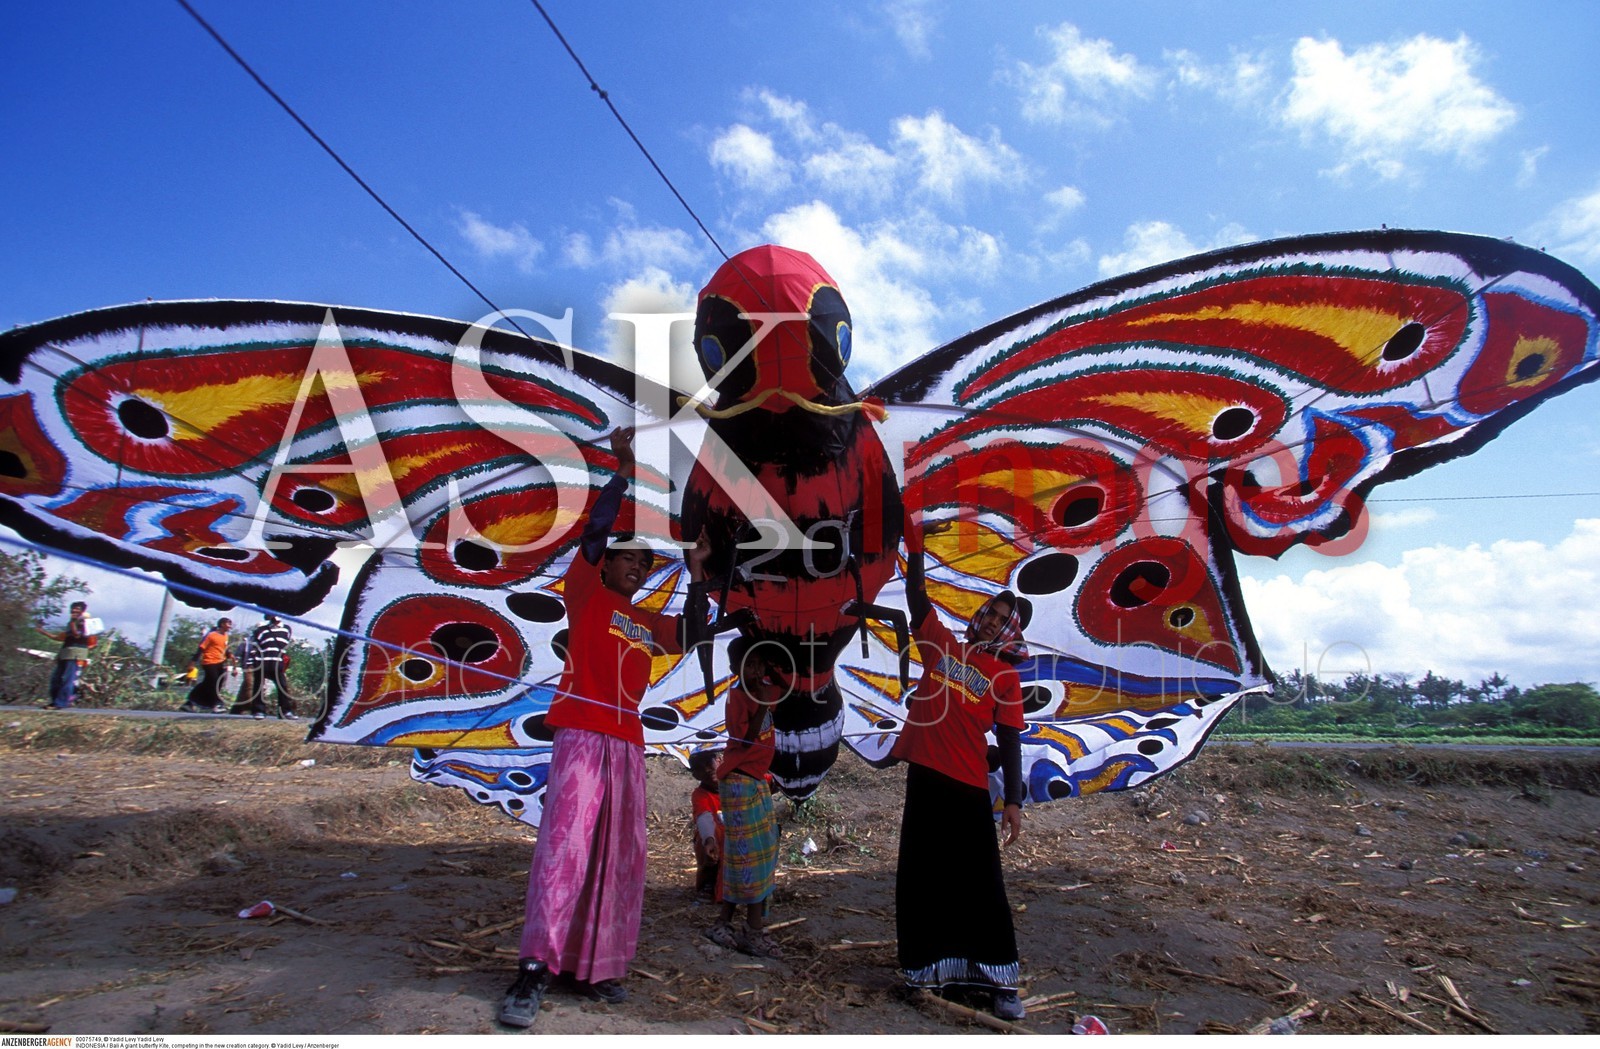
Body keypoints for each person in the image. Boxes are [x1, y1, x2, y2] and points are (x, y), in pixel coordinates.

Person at [499, 428, 710, 1029]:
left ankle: (594, 969)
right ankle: (533, 970)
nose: (637, 567)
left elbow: (695, 632)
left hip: (627, 743)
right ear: (608, 563)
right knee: (565, 849)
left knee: (619, 858)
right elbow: (593, 534)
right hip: (581, 734)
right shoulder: (586, 595)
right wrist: (622, 471)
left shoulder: (646, 622)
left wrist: (696, 572)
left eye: (645, 563)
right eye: (629, 558)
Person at [890, 524, 1029, 1021]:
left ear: (1013, 632)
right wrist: (916, 546)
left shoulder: (1006, 677)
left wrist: (1013, 801)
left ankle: (1001, 982)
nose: (992, 622)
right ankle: (928, 973)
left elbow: (1009, 740)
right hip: (925, 779)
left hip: (969, 787)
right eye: (990, 612)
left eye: (1004, 620)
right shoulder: (943, 646)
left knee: (980, 883)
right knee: (922, 878)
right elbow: (916, 597)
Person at [705, 636, 785, 958]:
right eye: (748, 664)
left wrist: (770, 672)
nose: (755, 670)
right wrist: (762, 704)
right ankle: (752, 931)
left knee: (759, 852)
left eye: (759, 663)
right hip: (739, 781)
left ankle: (724, 924)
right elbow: (745, 740)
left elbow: (788, 683)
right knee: (750, 857)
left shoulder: (765, 687)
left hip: (755, 780)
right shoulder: (737, 697)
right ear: (734, 668)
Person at [37, 601, 94, 709]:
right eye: (73, 608)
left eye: (77, 609)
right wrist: (43, 632)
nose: (74, 610)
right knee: (56, 679)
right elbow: (60, 637)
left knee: (68, 679)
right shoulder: (71, 623)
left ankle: (61, 703)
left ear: (82, 611)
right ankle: (55, 702)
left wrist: (73, 622)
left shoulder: (83, 622)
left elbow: (77, 635)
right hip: (65, 653)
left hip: (75, 654)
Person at [688, 749, 724, 901]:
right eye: (700, 768)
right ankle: (709, 880)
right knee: (708, 835)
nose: (708, 770)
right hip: (718, 838)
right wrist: (709, 840)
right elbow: (704, 817)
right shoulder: (700, 794)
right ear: (696, 775)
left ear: (719, 760)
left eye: (709, 763)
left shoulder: (737, 781)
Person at [180, 618, 233, 713]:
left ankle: (189, 703)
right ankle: (216, 704)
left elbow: (224, 648)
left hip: (220, 662)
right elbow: (200, 649)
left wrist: (230, 655)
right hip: (209, 662)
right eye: (228, 624)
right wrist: (192, 662)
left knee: (211, 683)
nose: (230, 626)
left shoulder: (225, 636)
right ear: (222, 624)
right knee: (214, 681)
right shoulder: (211, 635)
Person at [251, 614, 298, 720]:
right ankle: (258, 711)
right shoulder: (261, 630)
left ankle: (285, 711)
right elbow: (254, 646)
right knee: (258, 686)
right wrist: (253, 661)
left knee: (282, 686)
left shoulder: (286, 629)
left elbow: (284, 644)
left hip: (277, 662)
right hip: (262, 661)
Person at [228, 628, 265, 718]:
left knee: (248, 688)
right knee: (250, 685)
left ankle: (236, 709)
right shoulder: (247, 642)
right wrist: (234, 668)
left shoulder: (264, 642)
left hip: (260, 668)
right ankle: (254, 708)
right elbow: (237, 656)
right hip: (249, 667)